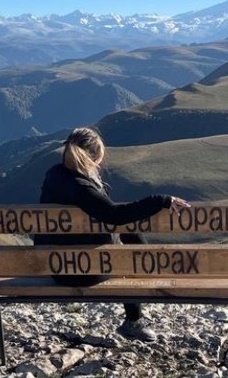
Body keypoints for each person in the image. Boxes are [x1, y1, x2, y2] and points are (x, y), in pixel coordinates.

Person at [36, 126, 190, 342]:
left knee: (127, 232)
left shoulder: (54, 175)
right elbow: (115, 215)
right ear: (93, 157)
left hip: (55, 265)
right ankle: (133, 320)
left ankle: (147, 265)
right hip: (84, 270)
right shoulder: (83, 188)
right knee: (126, 238)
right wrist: (162, 201)